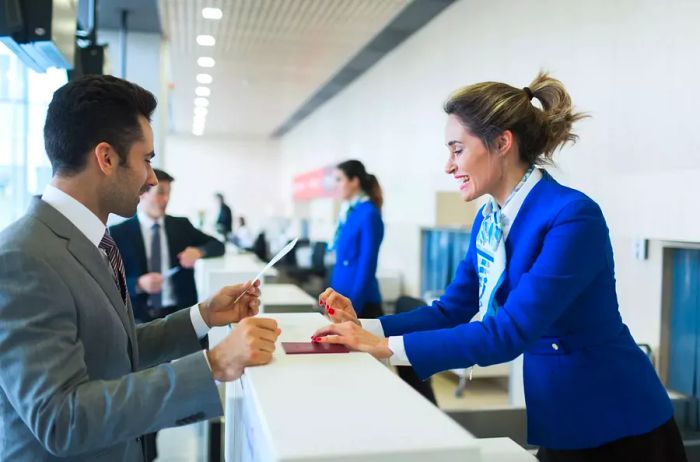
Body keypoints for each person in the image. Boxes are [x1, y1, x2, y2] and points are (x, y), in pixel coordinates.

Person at [313, 73, 686, 461]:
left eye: (457, 149)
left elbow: (509, 332)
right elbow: (452, 309)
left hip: (617, 421)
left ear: (502, 142)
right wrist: (364, 327)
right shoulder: (490, 221)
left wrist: (385, 347)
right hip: (561, 414)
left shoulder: (571, 216)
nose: (448, 165)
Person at [0, 75, 281, 461]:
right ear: (106, 158)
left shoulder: (88, 240)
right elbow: (60, 418)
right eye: (146, 160)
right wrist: (213, 363)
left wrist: (202, 317)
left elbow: (113, 349)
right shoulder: (22, 257)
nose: (151, 179)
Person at [110, 168, 225, 323]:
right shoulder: (118, 233)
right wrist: (137, 284)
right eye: (160, 193)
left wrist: (199, 251)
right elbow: (110, 278)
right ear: (142, 193)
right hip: (138, 318)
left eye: (168, 193)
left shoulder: (181, 226)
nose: (166, 199)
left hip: (181, 315)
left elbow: (218, 245)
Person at [326, 160, 384, 318]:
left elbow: (367, 265)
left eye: (339, 180)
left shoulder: (368, 214)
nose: (336, 185)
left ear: (354, 181)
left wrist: (354, 306)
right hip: (341, 296)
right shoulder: (349, 212)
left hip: (359, 303)